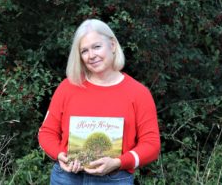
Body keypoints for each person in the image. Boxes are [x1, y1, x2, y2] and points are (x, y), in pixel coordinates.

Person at [38, 19, 160, 185]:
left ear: (112, 45)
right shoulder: (67, 87)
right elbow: (46, 133)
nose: (91, 55)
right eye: (84, 51)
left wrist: (119, 162)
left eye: (97, 47)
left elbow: (152, 145)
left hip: (115, 179)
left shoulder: (138, 93)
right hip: (66, 178)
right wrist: (60, 154)